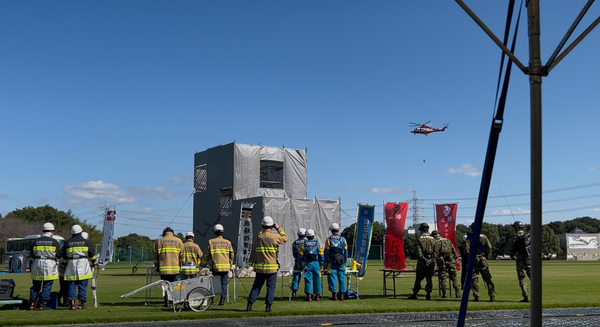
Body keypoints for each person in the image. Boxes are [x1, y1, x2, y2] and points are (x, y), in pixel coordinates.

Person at [247, 216, 288, 313]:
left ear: (262, 225)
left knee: (256, 287)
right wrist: (278, 228)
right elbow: (285, 238)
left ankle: (249, 305)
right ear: (272, 226)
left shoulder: (257, 238)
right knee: (271, 287)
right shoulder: (275, 237)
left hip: (260, 268)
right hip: (272, 268)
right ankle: (268, 307)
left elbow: (255, 244)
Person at [62, 224, 96, 310]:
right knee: (83, 286)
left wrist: (64, 263)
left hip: (71, 264)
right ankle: (81, 304)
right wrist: (93, 261)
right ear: (81, 232)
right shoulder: (86, 242)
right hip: (83, 264)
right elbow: (91, 254)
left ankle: (72, 304)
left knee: (72, 286)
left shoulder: (67, 242)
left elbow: (64, 256)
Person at [29, 222, 61, 310]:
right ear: (51, 231)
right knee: (47, 285)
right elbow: (58, 254)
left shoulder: (35, 241)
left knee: (35, 285)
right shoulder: (54, 241)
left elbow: (32, 254)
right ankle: (43, 304)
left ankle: (32, 303)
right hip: (49, 264)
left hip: (37, 263)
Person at [201, 224, 233, 306]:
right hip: (226, 267)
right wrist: (230, 263)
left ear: (214, 232)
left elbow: (206, 255)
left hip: (216, 267)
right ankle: (222, 301)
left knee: (214, 284)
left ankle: (211, 300)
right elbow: (231, 254)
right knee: (224, 284)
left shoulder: (211, 242)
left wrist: (203, 264)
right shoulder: (228, 242)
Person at [153, 227, 184, 307]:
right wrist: (182, 263)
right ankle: (175, 301)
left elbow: (155, 255)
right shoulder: (179, 241)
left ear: (164, 233)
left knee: (165, 286)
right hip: (175, 269)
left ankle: (166, 301)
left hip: (163, 269)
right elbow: (182, 255)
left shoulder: (159, 241)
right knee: (175, 286)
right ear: (172, 233)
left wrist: (156, 265)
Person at [409, 222, 437, 300]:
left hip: (422, 262)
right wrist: (432, 259)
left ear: (421, 230)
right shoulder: (433, 240)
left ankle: (415, 294)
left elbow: (419, 251)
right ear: (428, 230)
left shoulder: (419, 238)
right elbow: (436, 251)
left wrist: (423, 259)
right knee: (429, 278)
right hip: (431, 261)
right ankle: (428, 295)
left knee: (418, 278)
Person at [297, 228, 324, 302]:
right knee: (317, 279)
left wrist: (299, 262)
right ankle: (317, 296)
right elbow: (321, 254)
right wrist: (321, 263)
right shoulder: (318, 244)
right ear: (313, 235)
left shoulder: (303, 244)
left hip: (307, 263)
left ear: (306, 236)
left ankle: (309, 296)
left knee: (308, 279)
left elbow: (300, 255)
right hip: (316, 263)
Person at [432, 230, 460, 298]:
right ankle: (457, 293)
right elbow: (455, 253)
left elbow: (435, 253)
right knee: (454, 278)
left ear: (435, 235)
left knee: (443, 278)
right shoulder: (448, 241)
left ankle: (444, 293)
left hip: (442, 263)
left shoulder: (437, 242)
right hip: (451, 262)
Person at [324, 222, 348, 301]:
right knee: (341, 278)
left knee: (332, 278)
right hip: (341, 261)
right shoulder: (343, 239)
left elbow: (326, 252)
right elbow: (346, 252)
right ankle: (341, 295)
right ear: (338, 230)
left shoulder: (328, 240)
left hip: (331, 261)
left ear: (331, 230)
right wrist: (345, 261)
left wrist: (325, 261)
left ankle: (334, 295)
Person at [471, 230, 496, 302]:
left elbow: (466, 249)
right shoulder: (484, 237)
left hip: (474, 260)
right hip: (483, 259)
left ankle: (476, 297)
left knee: (474, 279)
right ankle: (492, 296)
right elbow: (489, 247)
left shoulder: (471, 237)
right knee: (488, 279)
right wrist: (486, 255)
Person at [511, 221, 531, 302]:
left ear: (516, 228)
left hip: (520, 260)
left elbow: (510, 248)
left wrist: (511, 255)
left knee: (522, 279)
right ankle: (537, 296)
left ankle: (526, 297)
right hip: (530, 259)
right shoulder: (528, 235)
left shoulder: (515, 237)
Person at [291, 228, 307, 297]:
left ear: (298, 234)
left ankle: (294, 292)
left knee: (296, 276)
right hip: (305, 262)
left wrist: (297, 259)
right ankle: (308, 293)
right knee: (307, 277)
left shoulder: (294, 243)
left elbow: (293, 253)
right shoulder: (307, 242)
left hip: (297, 261)